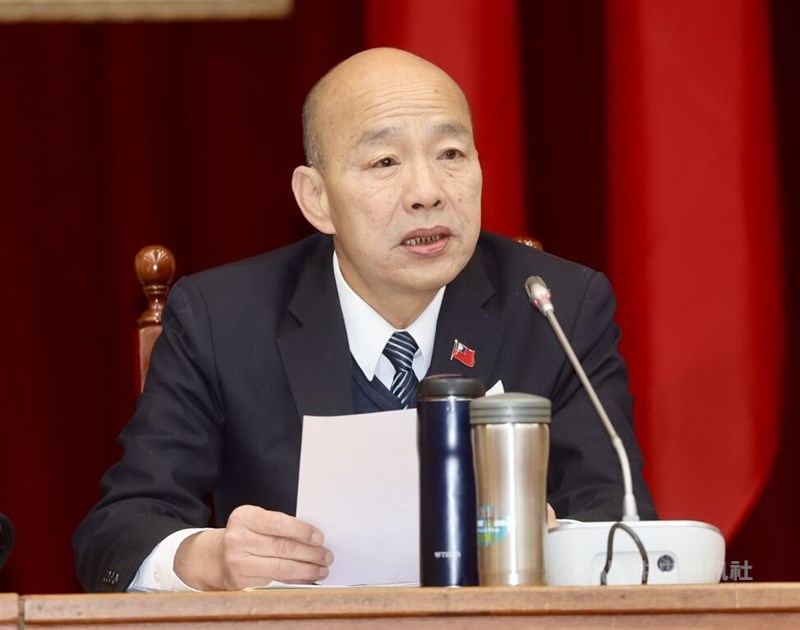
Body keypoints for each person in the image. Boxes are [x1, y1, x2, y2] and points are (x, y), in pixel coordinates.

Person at [73, 47, 657, 593]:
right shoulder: (223, 318)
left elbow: (618, 518)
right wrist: (207, 557)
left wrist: (552, 546)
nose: (427, 192)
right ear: (316, 199)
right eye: (384, 161)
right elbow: (118, 532)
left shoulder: (555, 306)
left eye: (451, 154)